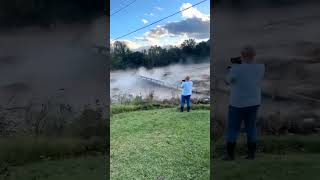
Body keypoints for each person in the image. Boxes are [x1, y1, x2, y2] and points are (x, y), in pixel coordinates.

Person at [223, 45, 265, 160]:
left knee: (233, 128)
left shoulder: (236, 69)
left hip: (237, 103)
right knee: (251, 128)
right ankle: (251, 154)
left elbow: (227, 81)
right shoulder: (261, 68)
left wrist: (230, 70)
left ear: (242, 56)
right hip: (254, 102)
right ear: (254, 56)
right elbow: (250, 76)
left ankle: (230, 155)